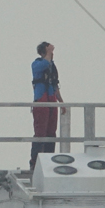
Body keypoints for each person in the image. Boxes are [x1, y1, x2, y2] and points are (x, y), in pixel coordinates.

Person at [29, 41, 63, 170]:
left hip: (51, 101)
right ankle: (35, 163)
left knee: (51, 133)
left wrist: (61, 102)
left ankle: (49, 162)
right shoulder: (37, 64)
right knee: (40, 133)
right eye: (49, 50)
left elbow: (54, 84)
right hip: (41, 101)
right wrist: (48, 53)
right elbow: (44, 64)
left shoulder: (52, 66)